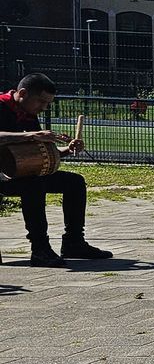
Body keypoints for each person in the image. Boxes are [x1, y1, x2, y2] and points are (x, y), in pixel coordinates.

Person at [0, 72, 109, 266]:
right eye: (41, 102)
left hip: (19, 172)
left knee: (74, 182)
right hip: (4, 176)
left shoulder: (28, 113)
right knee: (32, 185)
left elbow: (33, 154)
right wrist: (32, 135)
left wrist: (66, 150)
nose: (44, 108)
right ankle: (40, 248)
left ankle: (73, 242)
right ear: (23, 93)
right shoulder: (1, 105)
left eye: (47, 104)